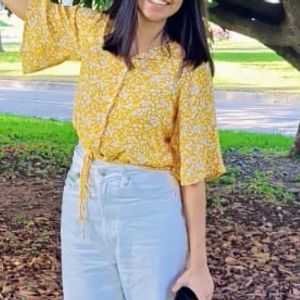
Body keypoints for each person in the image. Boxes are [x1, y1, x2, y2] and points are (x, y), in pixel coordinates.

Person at [2, 0, 227, 299]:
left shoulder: (187, 67)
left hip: (149, 208)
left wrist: (199, 263)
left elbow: (193, 169)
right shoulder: (95, 31)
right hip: (81, 198)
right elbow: (34, 10)